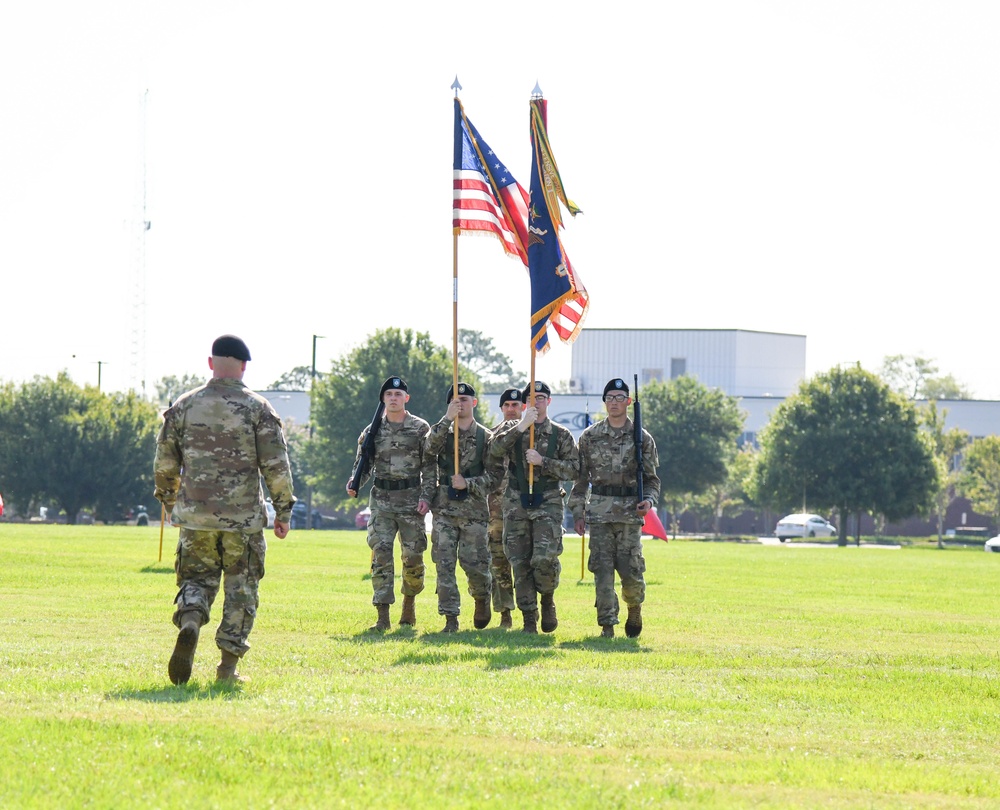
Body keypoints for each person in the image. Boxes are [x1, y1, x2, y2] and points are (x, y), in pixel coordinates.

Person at [154, 334, 295, 685]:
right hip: (242, 520)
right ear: (244, 366)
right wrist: (283, 510)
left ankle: (190, 620)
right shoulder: (258, 408)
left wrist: (170, 502)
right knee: (241, 589)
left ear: (210, 362)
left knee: (196, 578)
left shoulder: (184, 406)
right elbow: (276, 466)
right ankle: (226, 669)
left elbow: (165, 461)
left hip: (195, 516)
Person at [570, 378, 660, 638]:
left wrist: (649, 501)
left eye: (620, 397)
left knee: (631, 570)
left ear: (629, 402)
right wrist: (578, 512)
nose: (614, 402)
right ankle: (607, 625)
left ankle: (634, 607)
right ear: (605, 402)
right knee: (602, 570)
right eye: (610, 398)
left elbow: (653, 480)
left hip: (630, 515)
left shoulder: (641, 438)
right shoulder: (590, 437)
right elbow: (580, 479)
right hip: (599, 513)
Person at [347, 376, 435, 631]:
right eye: (389, 394)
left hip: (410, 500)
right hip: (382, 500)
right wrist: (354, 483)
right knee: (381, 554)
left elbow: (429, 467)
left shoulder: (420, 428)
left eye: (398, 394)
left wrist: (426, 497)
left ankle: (409, 603)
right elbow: (363, 464)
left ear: (406, 398)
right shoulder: (372, 430)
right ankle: (382, 615)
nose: (393, 398)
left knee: (413, 556)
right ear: (383, 399)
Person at [489, 381, 578, 633]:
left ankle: (547, 598)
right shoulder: (513, 428)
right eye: (531, 398)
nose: (536, 402)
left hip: (547, 501)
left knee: (543, 558)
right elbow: (494, 450)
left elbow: (574, 469)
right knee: (519, 561)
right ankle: (529, 618)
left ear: (548, 401)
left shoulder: (560, 435)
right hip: (516, 501)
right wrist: (521, 427)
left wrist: (544, 462)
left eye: (541, 397)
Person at [424, 382, 495, 632]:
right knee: (443, 564)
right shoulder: (442, 433)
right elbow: (427, 449)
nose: (461, 403)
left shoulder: (486, 437)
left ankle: (481, 598)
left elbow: (496, 477)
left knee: (474, 564)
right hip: (444, 510)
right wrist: (446, 420)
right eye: (455, 400)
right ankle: (450, 618)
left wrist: (469, 483)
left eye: (465, 399)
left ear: (474, 403)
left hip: (473, 511)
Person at [486, 387, 525, 629]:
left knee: (524, 561)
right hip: (496, 509)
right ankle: (504, 614)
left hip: (525, 508)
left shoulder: (534, 434)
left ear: (523, 407)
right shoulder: (491, 437)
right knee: (498, 562)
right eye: (507, 405)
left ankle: (530, 612)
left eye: (516, 405)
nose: (511, 409)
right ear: (501, 409)